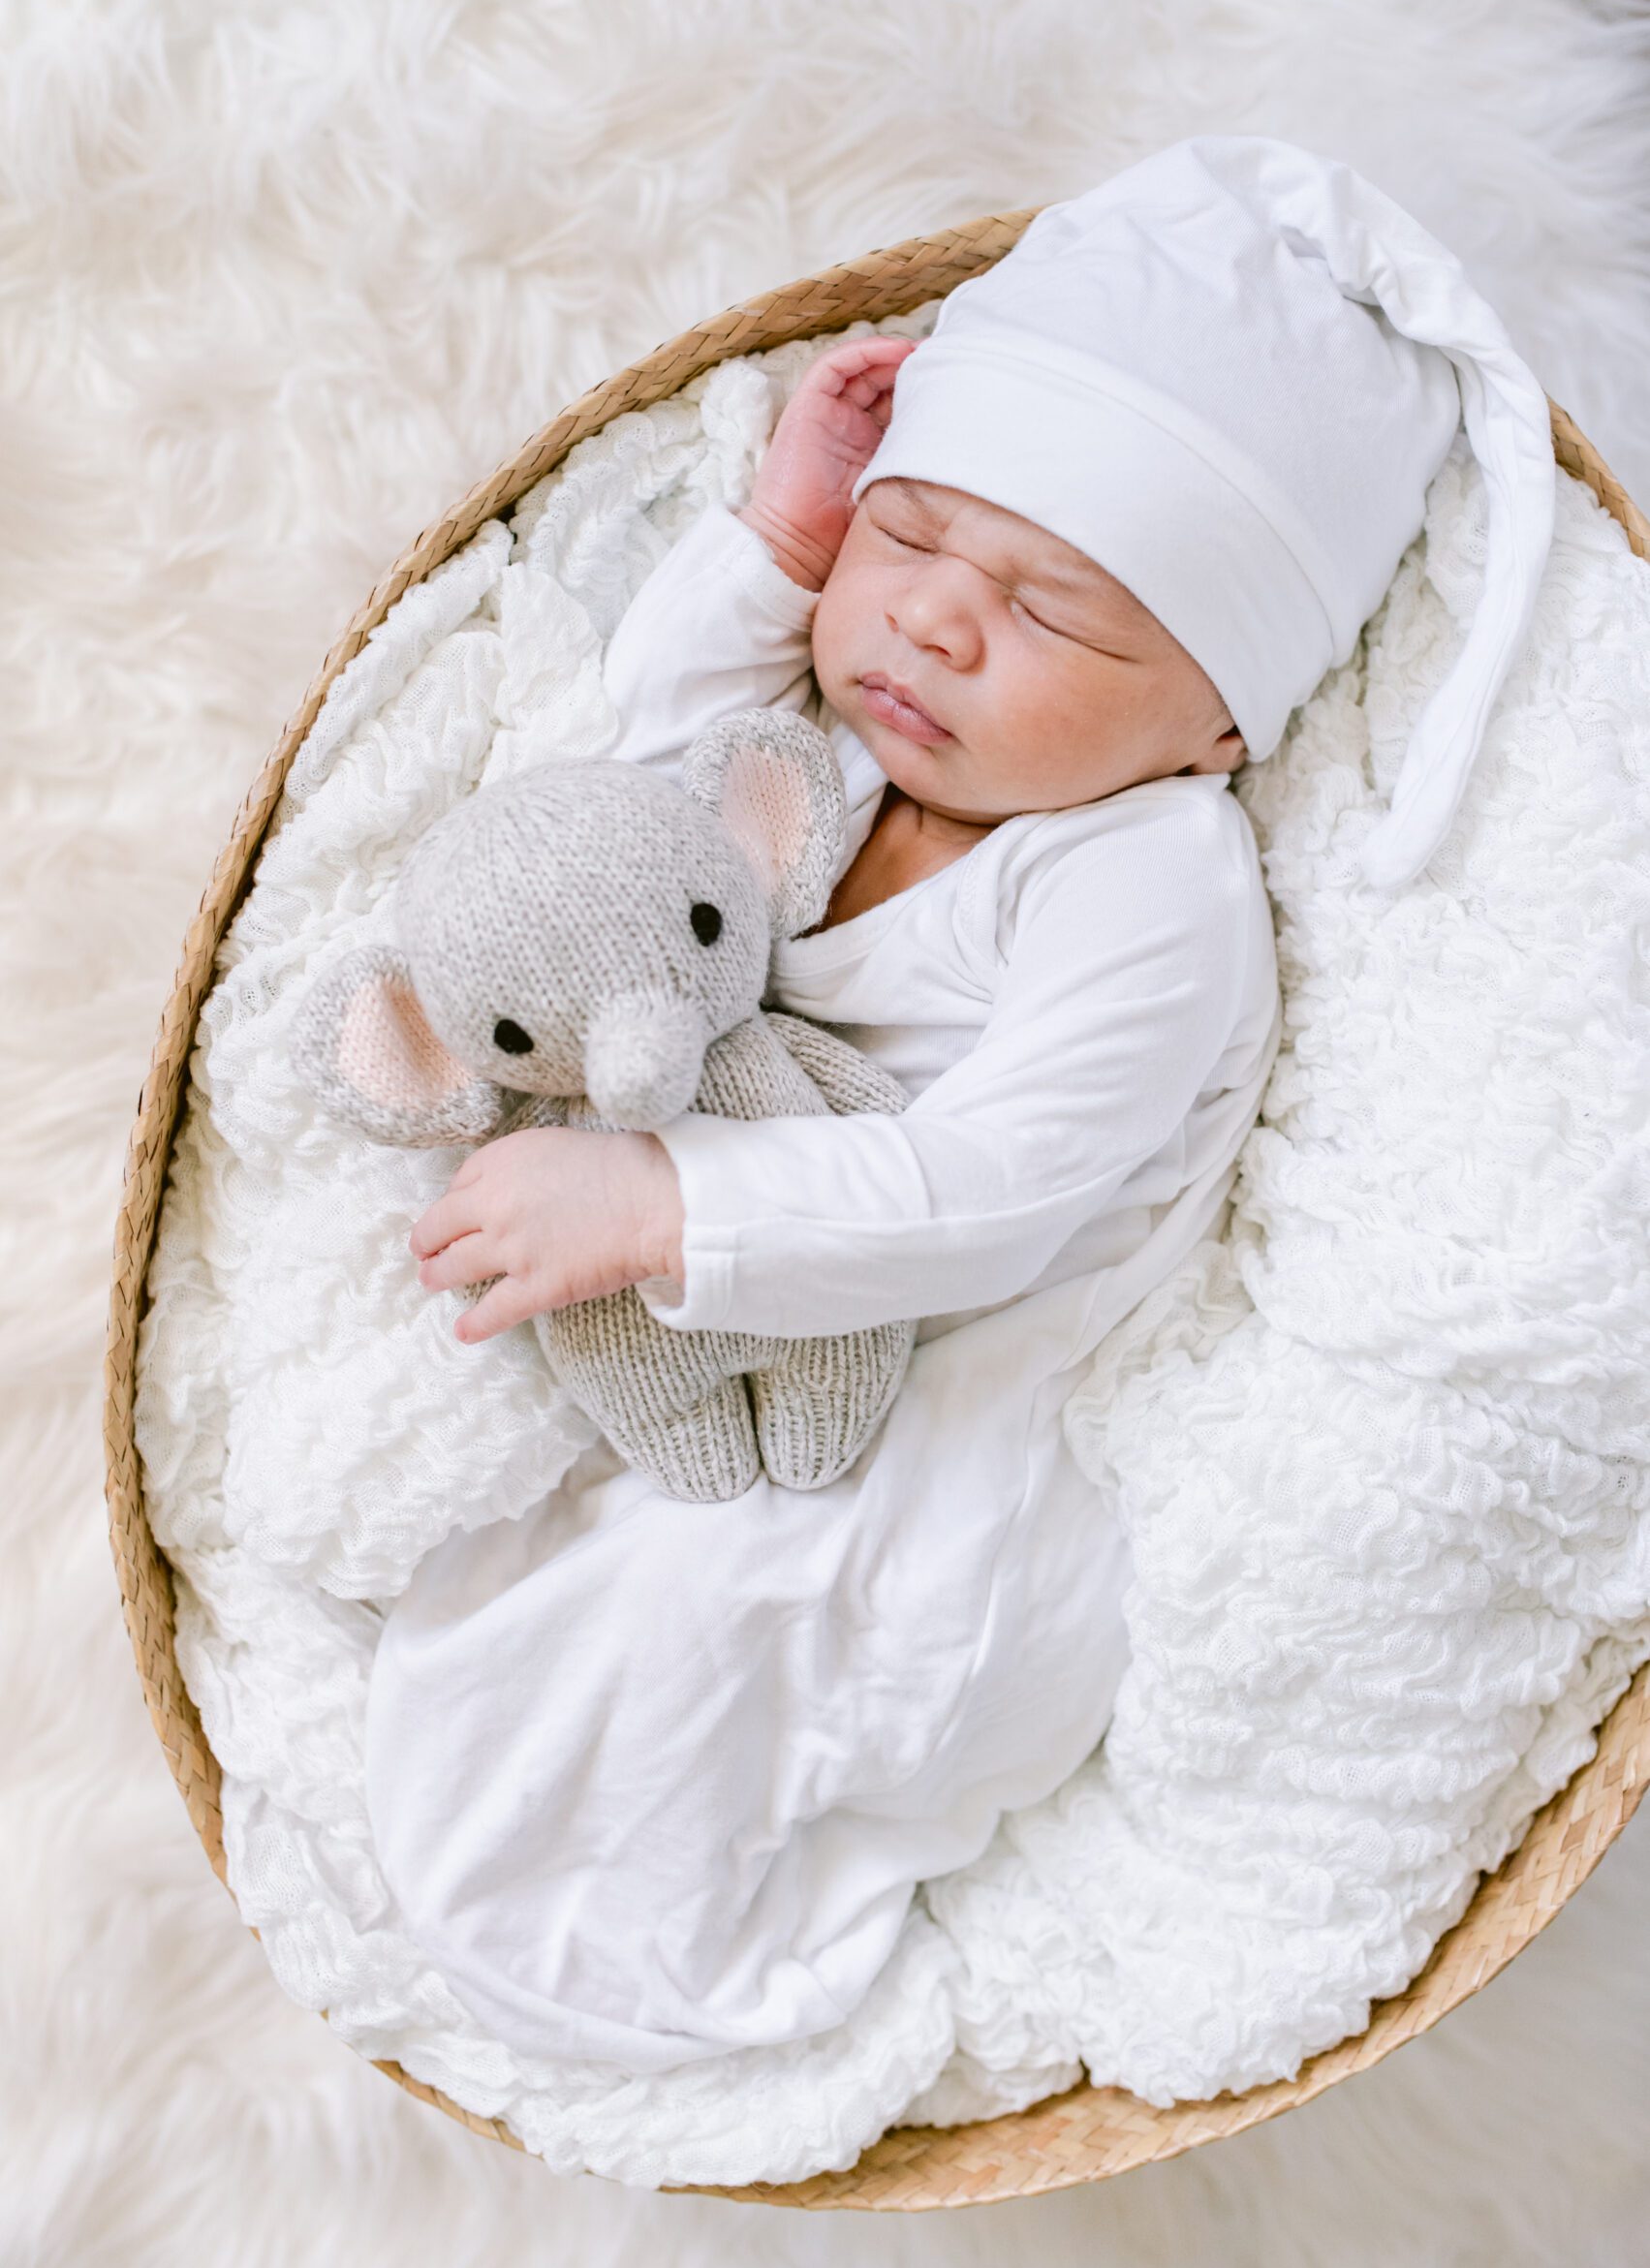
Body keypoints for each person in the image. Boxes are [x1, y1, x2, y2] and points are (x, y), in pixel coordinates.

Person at [360, 134, 1556, 2073]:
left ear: (1218, 722)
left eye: (1052, 614)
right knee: (521, 1594)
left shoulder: (1140, 881)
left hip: (946, 1437)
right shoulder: (826, 752)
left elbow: (995, 1188)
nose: (930, 622)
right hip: (749, 1362)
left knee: (740, 1632)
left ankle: (658, 1982)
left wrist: (666, 1205)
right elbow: (636, 805)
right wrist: (781, 542)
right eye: (908, 541)